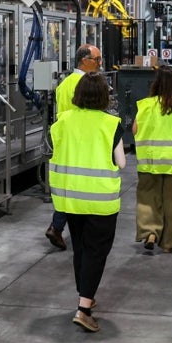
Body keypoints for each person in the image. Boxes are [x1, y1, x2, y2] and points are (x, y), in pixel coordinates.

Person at [48, 72, 126, 333]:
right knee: (96, 251)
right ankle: (83, 309)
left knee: (80, 248)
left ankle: (86, 295)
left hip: (70, 197)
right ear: (105, 96)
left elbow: (55, 148)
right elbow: (122, 163)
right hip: (100, 199)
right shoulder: (110, 123)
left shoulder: (63, 120)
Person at [45, 44, 103, 250]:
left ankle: (57, 226)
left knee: (67, 186)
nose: (99, 64)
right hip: (82, 144)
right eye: (97, 60)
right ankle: (59, 226)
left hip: (64, 142)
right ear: (84, 61)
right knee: (78, 189)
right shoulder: (86, 84)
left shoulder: (65, 83)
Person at [132, 65, 172, 253]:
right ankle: (168, 243)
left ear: (156, 83)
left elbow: (134, 130)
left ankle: (150, 232)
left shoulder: (146, 105)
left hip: (148, 162)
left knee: (148, 199)